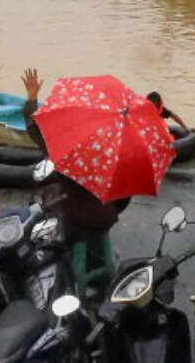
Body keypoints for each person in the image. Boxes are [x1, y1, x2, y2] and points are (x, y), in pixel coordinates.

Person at [19, 68, 128, 239]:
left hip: (73, 222)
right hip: (105, 219)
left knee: (49, 202)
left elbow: (36, 130)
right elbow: (124, 199)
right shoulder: (118, 152)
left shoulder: (70, 150)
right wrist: (109, 210)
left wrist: (32, 99)